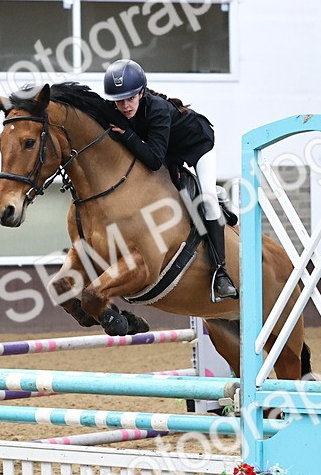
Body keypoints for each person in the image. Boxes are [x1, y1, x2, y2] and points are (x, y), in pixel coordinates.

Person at [102, 58, 237, 301]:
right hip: (169, 152)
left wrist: (129, 136)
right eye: (119, 101)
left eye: (130, 99)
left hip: (198, 144)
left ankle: (221, 272)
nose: (124, 106)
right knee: (176, 193)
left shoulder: (158, 109)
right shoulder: (118, 107)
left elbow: (153, 160)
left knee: (205, 199)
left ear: (141, 93)